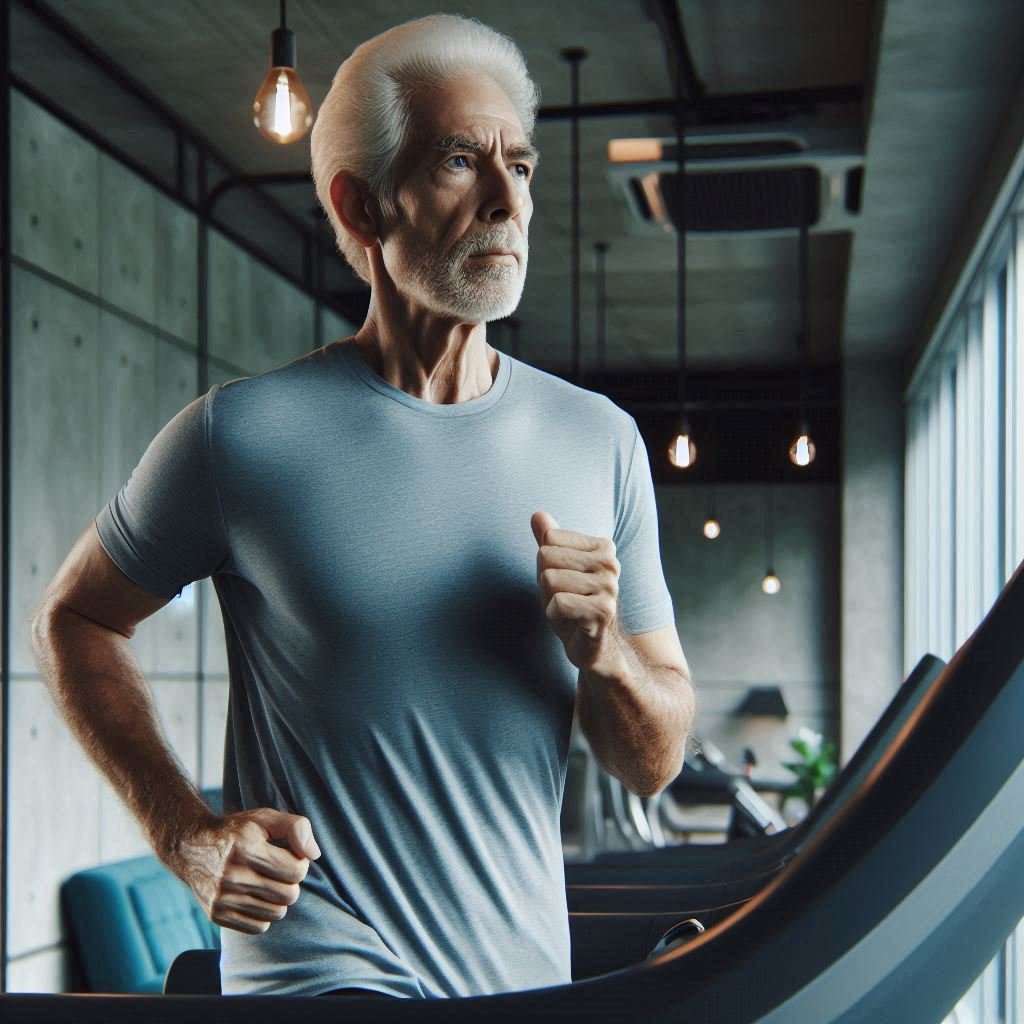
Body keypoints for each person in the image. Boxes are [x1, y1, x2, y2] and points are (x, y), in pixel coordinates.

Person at [30, 12, 695, 1000]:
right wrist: (186, 834)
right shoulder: (239, 435)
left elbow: (653, 763)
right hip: (315, 976)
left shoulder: (596, 439)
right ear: (363, 205)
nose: (507, 197)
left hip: (517, 983)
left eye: (521, 164)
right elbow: (76, 618)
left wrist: (604, 654)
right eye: (460, 160)